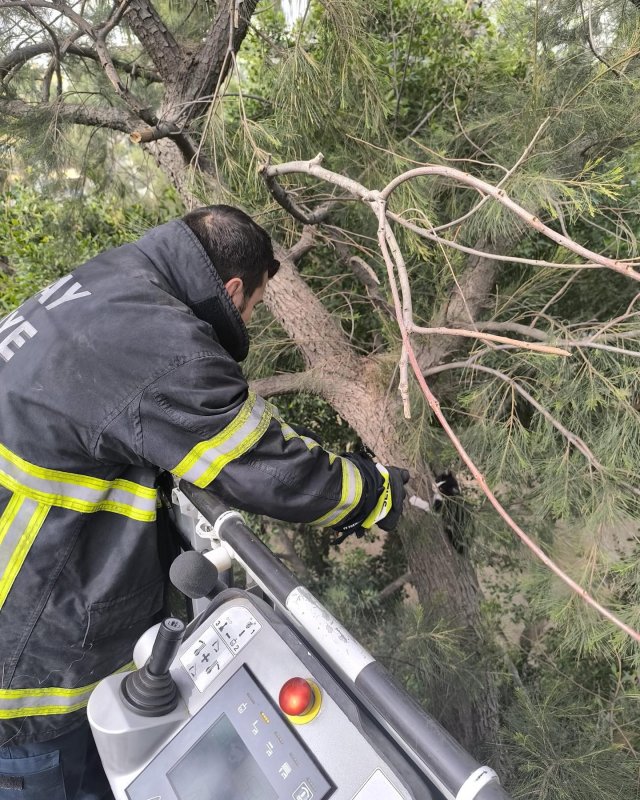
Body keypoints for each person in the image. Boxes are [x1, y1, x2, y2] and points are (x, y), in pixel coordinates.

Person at [0, 205, 408, 798]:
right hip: (28, 668)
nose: (251, 319)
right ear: (234, 287)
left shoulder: (106, 282)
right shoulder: (154, 337)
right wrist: (378, 492)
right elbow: (265, 466)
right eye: (255, 306)